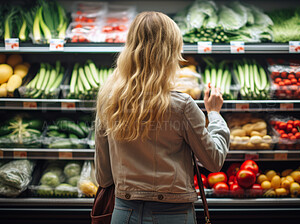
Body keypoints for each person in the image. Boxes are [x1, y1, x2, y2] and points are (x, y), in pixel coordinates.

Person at [95, 11, 230, 224]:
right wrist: (214, 115)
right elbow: (213, 161)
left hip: (123, 213)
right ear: (171, 52)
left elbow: (103, 177)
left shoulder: (109, 100)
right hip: (173, 215)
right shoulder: (181, 105)